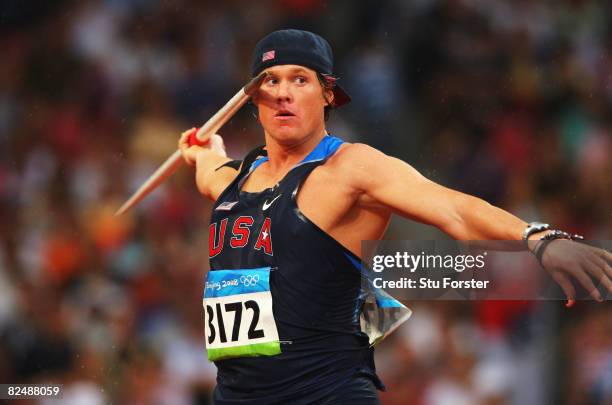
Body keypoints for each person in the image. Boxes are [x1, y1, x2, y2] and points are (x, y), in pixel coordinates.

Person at [178, 29, 611, 404]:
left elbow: (452, 209)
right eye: (271, 80)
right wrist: (201, 151)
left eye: (300, 80)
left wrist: (539, 237)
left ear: (328, 94)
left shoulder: (351, 168)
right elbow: (209, 172)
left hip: (325, 394)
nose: (284, 92)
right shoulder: (235, 182)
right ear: (253, 98)